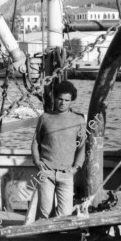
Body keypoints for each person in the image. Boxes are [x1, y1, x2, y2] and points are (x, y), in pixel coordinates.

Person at [31, 80, 86, 219]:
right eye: (60, 99)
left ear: (71, 101)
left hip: (67, 174)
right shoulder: (45, 118)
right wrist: (37, 161)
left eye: (67, 100)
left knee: (65, 215)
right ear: (55, 99)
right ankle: (43, 238)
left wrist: (76, 167)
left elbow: (82, 147)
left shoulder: (79, 120)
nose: (62, 103)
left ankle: (56, 235)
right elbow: (35, 142)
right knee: (45, 211)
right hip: (46, 173)